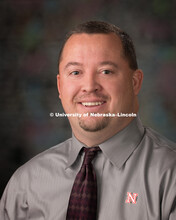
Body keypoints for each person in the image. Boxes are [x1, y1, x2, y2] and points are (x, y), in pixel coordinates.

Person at [0, 21, 176, 220]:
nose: (89, 86)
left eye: (106, 71)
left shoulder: (170, 176)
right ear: (60, 86)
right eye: (75, 72)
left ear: (135, 82)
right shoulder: (25, 184)